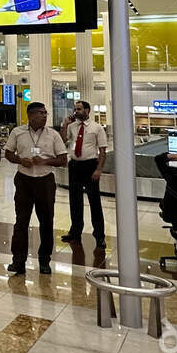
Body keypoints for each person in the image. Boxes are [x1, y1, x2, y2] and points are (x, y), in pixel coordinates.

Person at [3, 101, 68, 275]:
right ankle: (18, 261)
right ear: (30, 116)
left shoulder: (53, 135)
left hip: (45, 182)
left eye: (46, 113)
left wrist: (45, 161)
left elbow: (63, 160)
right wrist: (20, 160)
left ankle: (44, 261)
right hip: (24, 181)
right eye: (40, 113)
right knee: (21, 222)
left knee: (46, 222)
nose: (45, 116)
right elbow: (8, 154)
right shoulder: (18, 132)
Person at [61, 100, 109, 247]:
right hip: (75, 166)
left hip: (90, 166)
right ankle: (75, 232)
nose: (76, 112)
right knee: (74, 201)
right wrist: (64, 125)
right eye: (75, 109)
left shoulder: (97, 128)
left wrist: (98, 169)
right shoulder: (72, 126)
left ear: (87, 110)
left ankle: (99, 235)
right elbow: (63, 140)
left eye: (79, 109)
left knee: (94, 202)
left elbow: (102, 151)